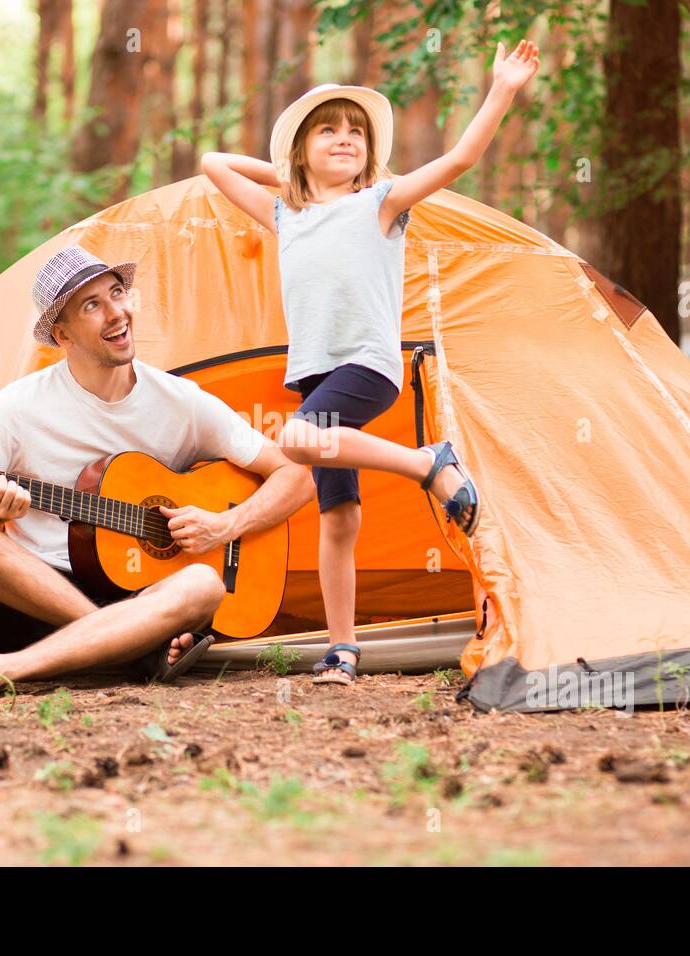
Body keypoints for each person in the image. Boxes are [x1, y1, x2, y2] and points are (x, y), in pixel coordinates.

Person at [200, 40, 540, 685]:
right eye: (327, 131)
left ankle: (428, 463)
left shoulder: (379, 204)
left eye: (355, 132)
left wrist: (502, 88)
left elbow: (462, 156)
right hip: (313, 372)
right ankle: (343, 649)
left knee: (298, 440)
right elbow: (215, 163)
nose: (344, 138)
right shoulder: (286, 214)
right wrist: (291, 172)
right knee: (338, 517)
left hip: (367, 363)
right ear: (300, 152)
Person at [0, 245, 314, 690]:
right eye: (92, 305)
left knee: (205, 585)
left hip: (138, 598)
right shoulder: (16, 406)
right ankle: (122, 644)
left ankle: (2, 670)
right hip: (29, 599)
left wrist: (224, 525)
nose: (117, 313)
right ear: (63, 334)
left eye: (117, 294)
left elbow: (295, 476)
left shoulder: (179, 402)